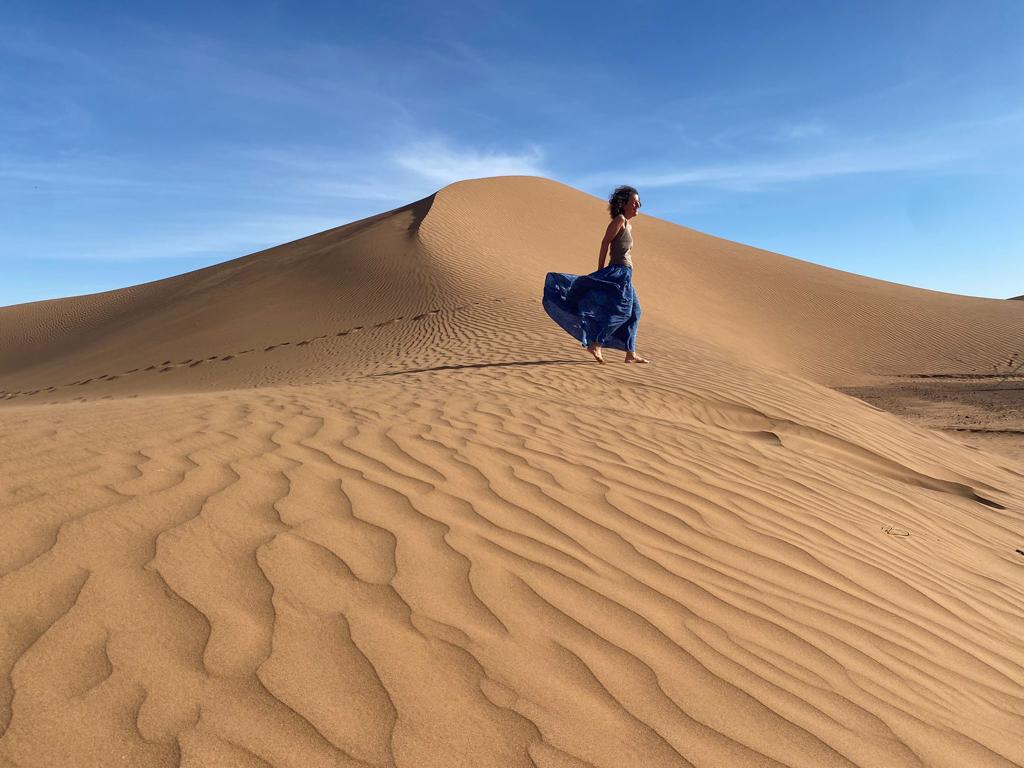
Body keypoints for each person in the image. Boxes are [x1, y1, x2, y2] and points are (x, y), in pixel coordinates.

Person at [542, 185, 650, 364]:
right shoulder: (619, 220)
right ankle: (596, 343)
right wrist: (600, 272)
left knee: (635, 312)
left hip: (626, 274)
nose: (638, 206)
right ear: (624, 203)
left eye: (640, 203)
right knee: (623, 312)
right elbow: (604, 243)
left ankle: (630, 352)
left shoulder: (628, 226)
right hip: (618, 272)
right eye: (635, 202)